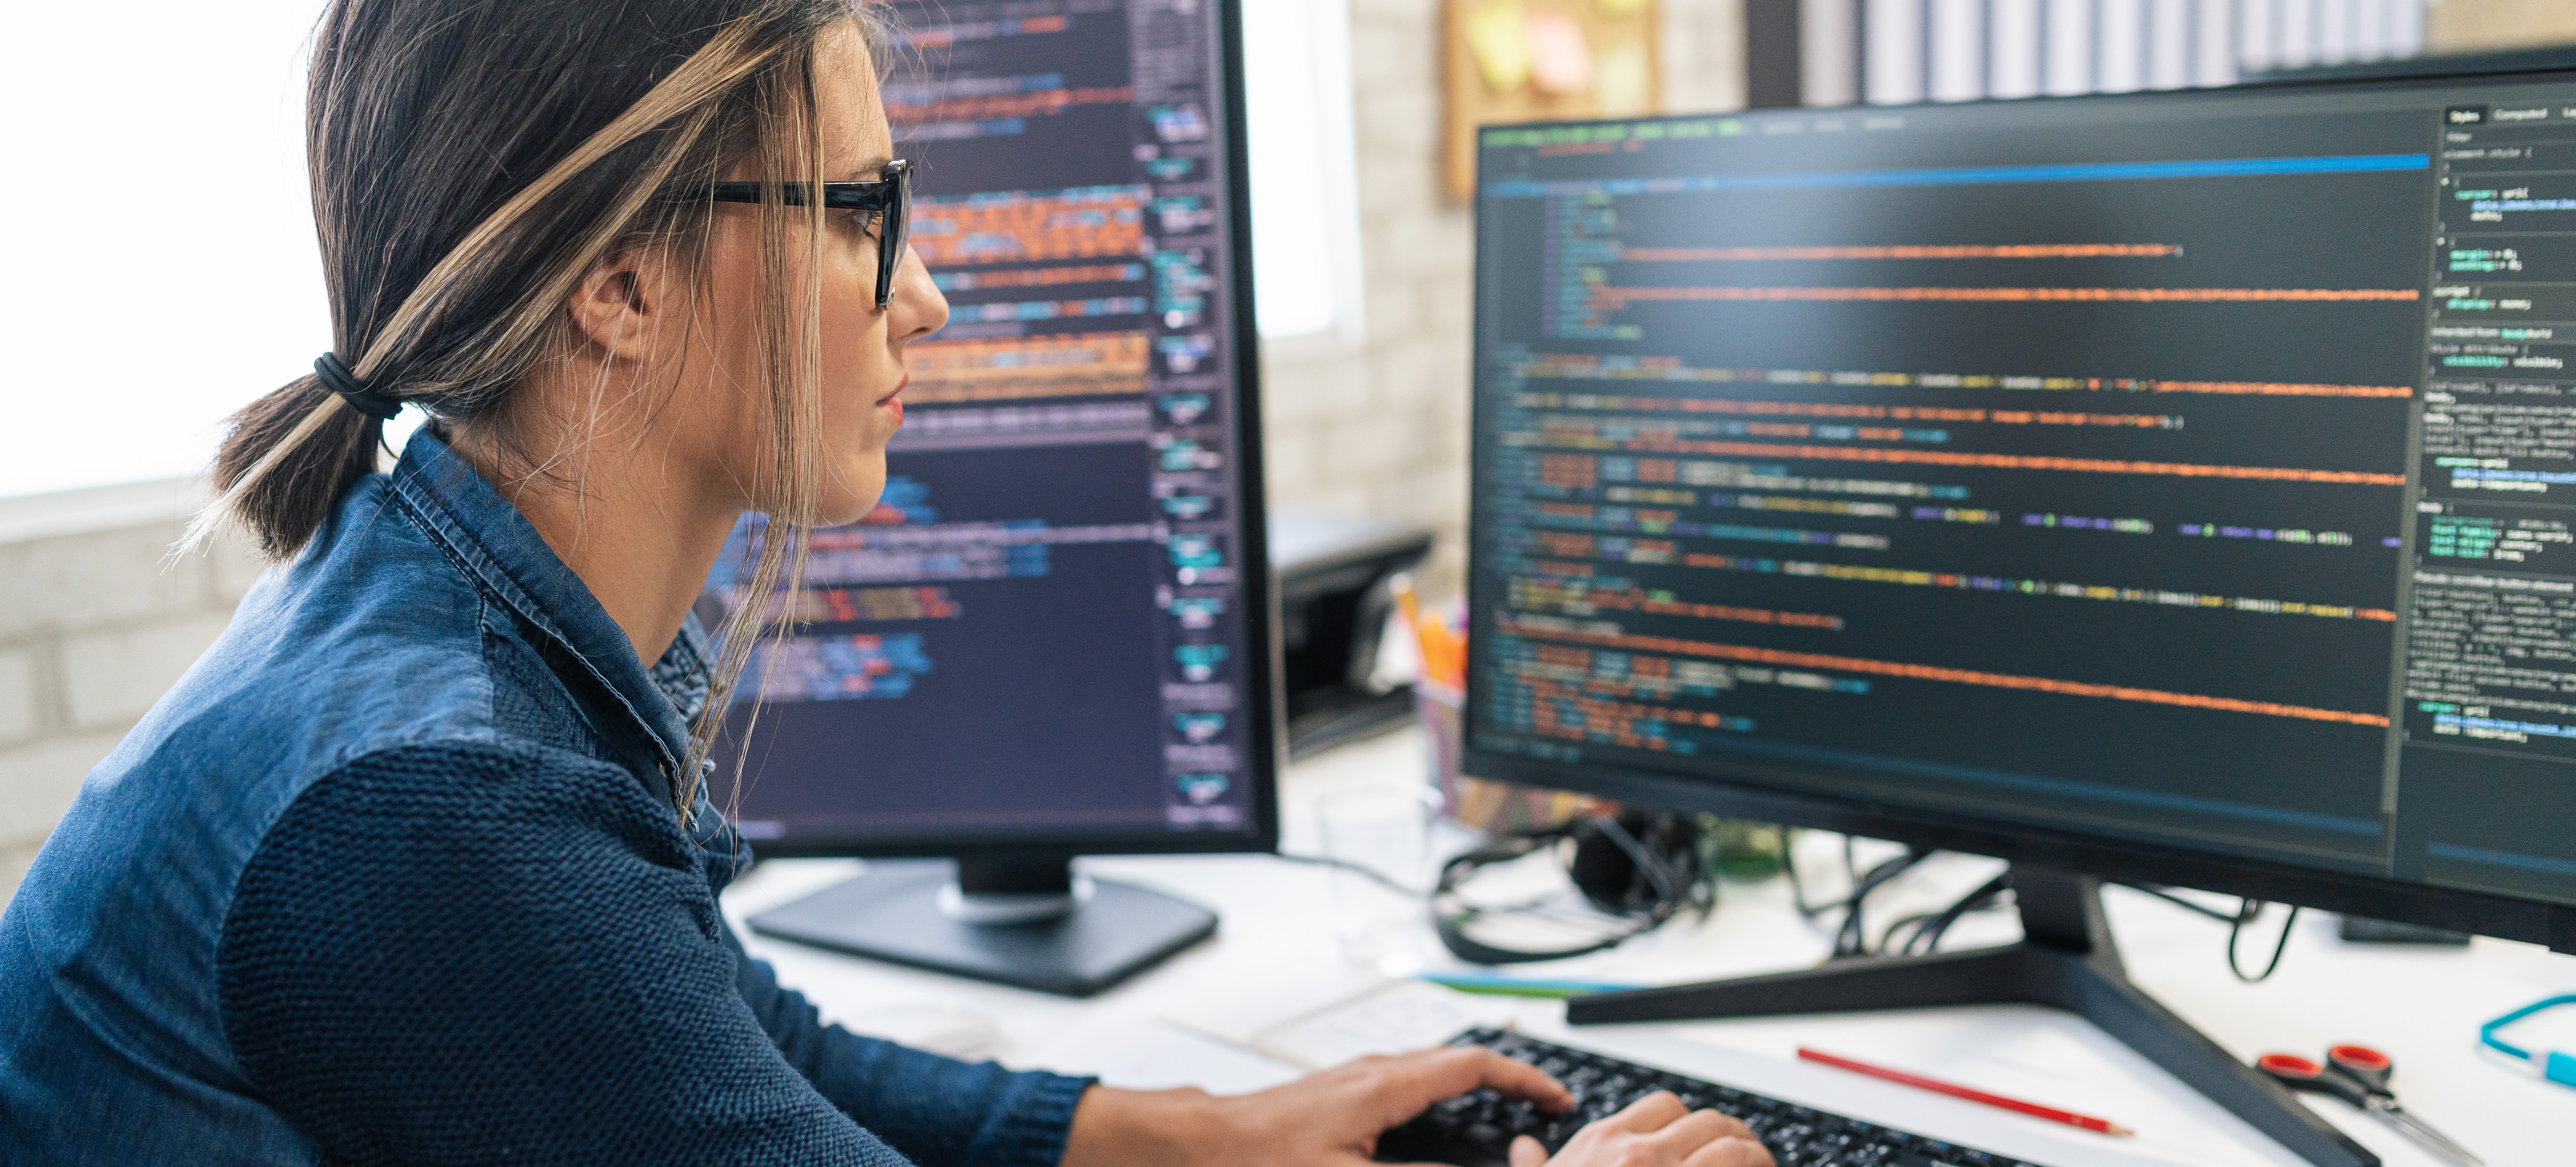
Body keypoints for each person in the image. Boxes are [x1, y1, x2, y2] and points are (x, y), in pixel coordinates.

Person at [0, 3, 1774, 1165]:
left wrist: (1201, 1129)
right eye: (860, 211)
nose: (920, 296)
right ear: (615, 282)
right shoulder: (430, 803)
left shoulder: (458, 605)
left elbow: (726, 1048)